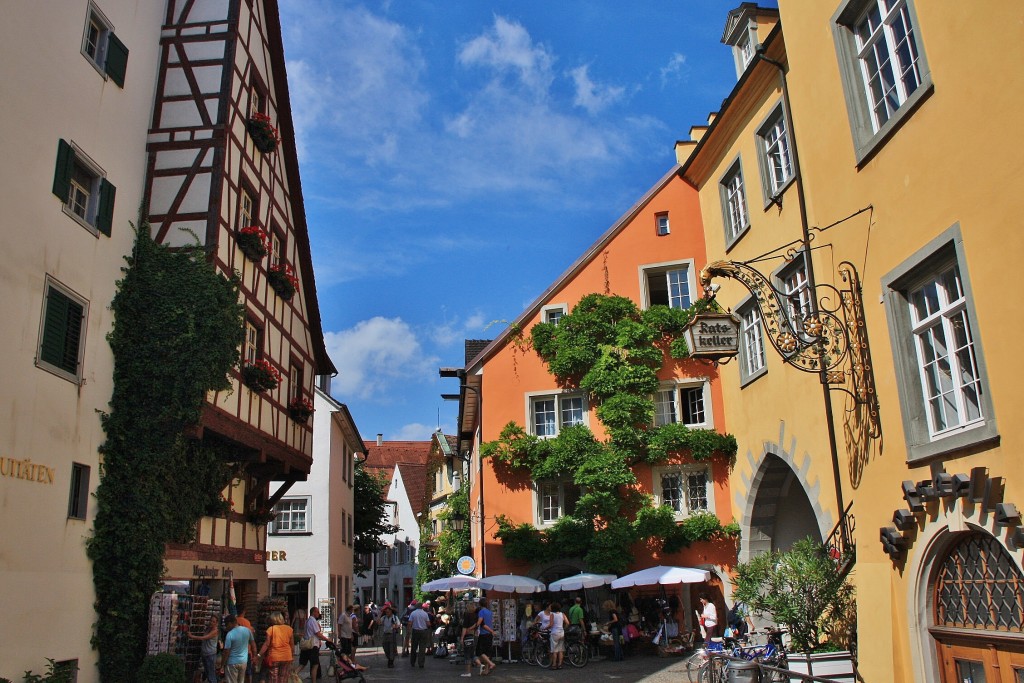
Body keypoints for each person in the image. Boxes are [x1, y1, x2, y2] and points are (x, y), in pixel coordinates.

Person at [257, 611, 293, 683]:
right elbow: (292, 645)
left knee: (274, 679)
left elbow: (266, 644)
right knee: (283, 678)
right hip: (286, 657)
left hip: (274, 657)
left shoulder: (271, 629)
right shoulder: (289, 629)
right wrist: (292, 656)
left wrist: (259, 655)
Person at [220, 614, 255, 683]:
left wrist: (222, 664)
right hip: (243, 662)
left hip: (232, 663)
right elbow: (253, 644)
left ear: (230, 623)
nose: (226, 627)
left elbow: (226, 651)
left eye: (227, 625)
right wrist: (255, 656)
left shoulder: (230, 634)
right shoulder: (247, 630)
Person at [189, 613, 220, 683]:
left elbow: (204, 638)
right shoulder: (208, 628)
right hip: (205, 654)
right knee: (208, 673)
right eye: (211, 621)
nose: (211, 622)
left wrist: (192, 636)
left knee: (211, 675)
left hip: (210, 655)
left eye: (213, 621)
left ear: (216, 623)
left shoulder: (215, 631)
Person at [301, 606, 328, 683]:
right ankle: (314, 681)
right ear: (314, 612)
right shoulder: (313, 621)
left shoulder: (307, 621)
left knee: (302, 664)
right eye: (317, 612)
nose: (318, 613)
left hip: (307, 644)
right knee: (315, 665)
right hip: (312, 645)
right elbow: (318, 634)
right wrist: (327, 639)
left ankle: (293, 676)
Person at [475, 598, 497, 675]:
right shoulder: (489, 612)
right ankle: (486, 670)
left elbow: (480, 622)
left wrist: (474, 626)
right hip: (489, 634)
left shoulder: (481, 612)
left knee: (480, 652)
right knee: (487, 653)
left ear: (480, 604)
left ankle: (491, 663)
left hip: (483, 634)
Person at [408, 600, 433, 668]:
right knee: (422, 648)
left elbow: (410, 623)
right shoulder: (425, 614)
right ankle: (421, 663)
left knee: (414, 647)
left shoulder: (413, 613)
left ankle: (412, 662)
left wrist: (409, 631)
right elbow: (428, 624)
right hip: (423, 631)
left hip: (415, 631)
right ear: (422, 607)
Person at [235, 606, 257, 683]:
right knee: (248, 671)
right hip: (246, 650)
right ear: (244, 612)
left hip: (236, 651)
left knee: (237, 672)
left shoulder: (234, 621)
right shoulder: (246, 622)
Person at [378, 602, 402, 667]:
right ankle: (389, 658)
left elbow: (398, 625)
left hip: (392, 634)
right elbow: (379, 622)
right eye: (386, 612)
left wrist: (395, 626)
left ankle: (391, 661)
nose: (387, 613)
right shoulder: (384, 617)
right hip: (385, 634)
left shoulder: (395, 617)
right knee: (385, 647)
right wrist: (380, 614)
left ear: (391, 612)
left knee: (392, 648)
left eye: (388, 612)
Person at [460, 602, 480, 677]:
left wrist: (462, 637)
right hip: (475, 635)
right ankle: (480, 664)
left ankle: (468, 672)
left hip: (468, 636)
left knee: (467, 654)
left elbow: (464, 627)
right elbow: (477, 624)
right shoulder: (477, 615)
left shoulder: (467, 615)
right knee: (472, 653)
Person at [548, 602, 566, 670]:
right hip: (562, 633)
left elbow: (551, 624)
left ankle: (554, 665)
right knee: (560, 649)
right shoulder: (562, 614)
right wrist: (564, 628)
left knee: (554, 650)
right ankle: (560, 664)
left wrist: (545, 628)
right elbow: (567, 623)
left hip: (554, 633)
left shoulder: (552, 614)